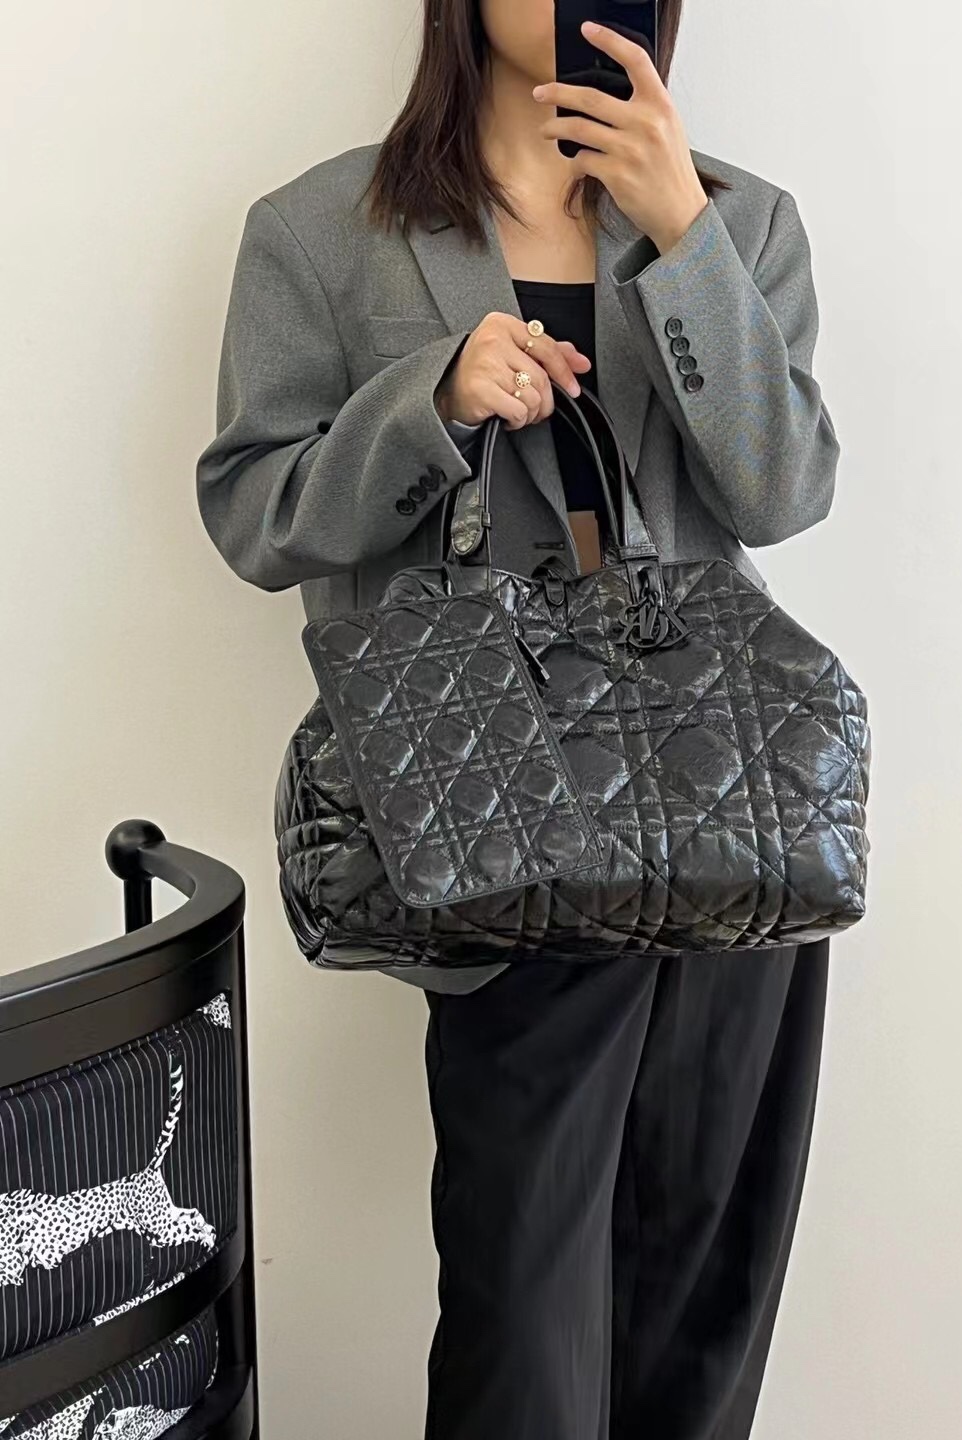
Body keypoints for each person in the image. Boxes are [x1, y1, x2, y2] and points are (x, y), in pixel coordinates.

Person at [196, 2, 841, 1435]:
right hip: (497, 830)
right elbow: (255, 513)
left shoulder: (741, 219)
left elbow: (780, 491)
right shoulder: (322, 230)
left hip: (731, 833)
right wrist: (426, 402)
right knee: (523, 1328)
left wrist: (683, 237)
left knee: (703, 1319)